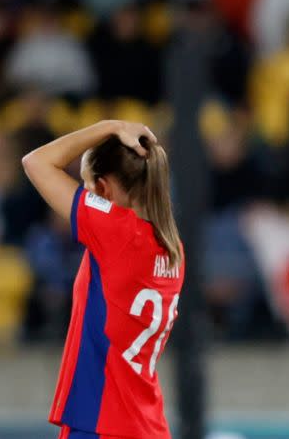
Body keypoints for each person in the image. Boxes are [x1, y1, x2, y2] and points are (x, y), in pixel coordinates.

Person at [22, 120, 183, 438]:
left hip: (102, 422)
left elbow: (36, 162)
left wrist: (110, 126)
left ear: (104, 188)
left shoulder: (116, 232)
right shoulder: (172, 247)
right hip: (148, 425)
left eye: (87, 184)